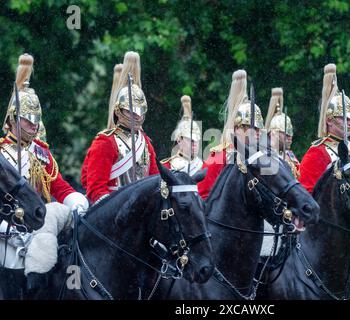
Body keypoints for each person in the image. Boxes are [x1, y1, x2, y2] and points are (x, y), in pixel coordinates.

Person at [0, 53, 89, 292]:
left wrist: (75, 202)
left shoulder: (42, 153)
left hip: (40, 226)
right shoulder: (1, 152)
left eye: (37, 119)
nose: (34, 125)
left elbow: (58, 186)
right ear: (13, 119)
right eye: (28, 120)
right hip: (5, 228)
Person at [81, 52, 159, 204]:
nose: (136, 116)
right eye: (131, 111)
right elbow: (95, 187)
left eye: (139, 111)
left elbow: (155, 178)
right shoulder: (105, 141)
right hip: (114, 209)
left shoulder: (145, 142)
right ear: (119, 110)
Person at [197, 69, 264, 199]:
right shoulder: (221, 157)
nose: (258, 132)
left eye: (259, 128)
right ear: (238, 129)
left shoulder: (261, 157)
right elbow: (202, 196)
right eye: (253, 128)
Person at [299, 63, 350, 193]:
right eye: (343, 118)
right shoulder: (317, 152)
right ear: (329, 120)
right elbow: (307, 194)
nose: (349, 122)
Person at [161, 95, 205, 175]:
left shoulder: (204, 167)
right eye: (191, 140)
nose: (194, 143)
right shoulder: (166, 167)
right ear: (179, 140)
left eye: (197, 140)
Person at [265, 87, 300, 179]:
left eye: (290, 133)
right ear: (273, 134)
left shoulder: (291, 156)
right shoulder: (265, 157)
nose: (290, 137)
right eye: (286, 133)